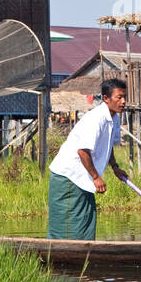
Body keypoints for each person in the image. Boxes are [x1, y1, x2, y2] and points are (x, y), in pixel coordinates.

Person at [47, 77, 129, 240]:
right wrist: (96, 177)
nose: (124, 101)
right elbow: (82, 151)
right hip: (69, 176)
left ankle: (84, 259)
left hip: (83, 178)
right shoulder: (96, 118)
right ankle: (59, 257)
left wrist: (114, 167)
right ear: (106, 98)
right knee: (67, 224)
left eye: (124, 97)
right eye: (119, 97)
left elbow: (107, 145)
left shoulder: (114, 118)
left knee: (86, 220)